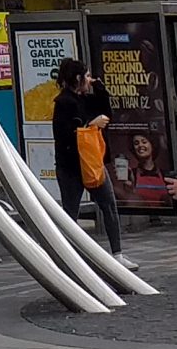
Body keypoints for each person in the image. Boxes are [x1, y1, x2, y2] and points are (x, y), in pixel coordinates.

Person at [50, 59, 124, 260]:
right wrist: (89, 124)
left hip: (92, 163)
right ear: (78, 78)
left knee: (109, 205)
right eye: (87, 76)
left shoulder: (85, 99)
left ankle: (117, 253)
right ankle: (68, 256)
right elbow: (64, 134)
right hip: (71, 166)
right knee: (70, 212)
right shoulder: (63, 103)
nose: (90, 80)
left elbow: (107, 113)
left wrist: (99, 88)